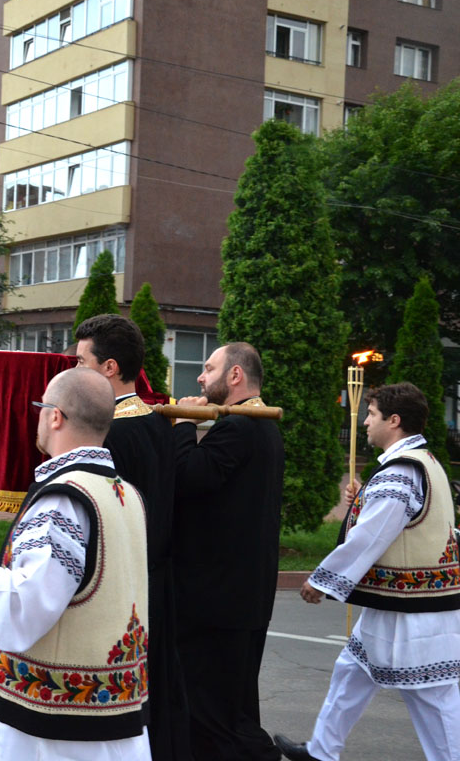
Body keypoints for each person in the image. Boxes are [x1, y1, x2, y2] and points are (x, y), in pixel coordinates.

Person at [0, 367, 151, 760]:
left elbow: (28, 603)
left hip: (51, 725)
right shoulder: (126, 494)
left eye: (41, 407)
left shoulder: (64, 499)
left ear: (55, 416)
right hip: (116, 713)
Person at [274, 383, 460, 761]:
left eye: (371, 415)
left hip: (415, 611)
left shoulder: (401, 472)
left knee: (434, 699)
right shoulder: (425, 462)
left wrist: (322, 580)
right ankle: (322, 751)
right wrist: (363, 497)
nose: (366, 424)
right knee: (351, 673)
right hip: (399, 602)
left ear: (394, 421)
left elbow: (369, 537)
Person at [73, 314, 190, 761]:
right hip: (155, 574)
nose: (73, 368)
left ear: (109, 368)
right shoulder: (158, 420)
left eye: (81, 360)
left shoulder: (112, 432)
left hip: (121, 581)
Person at [172, 342, 284, 761]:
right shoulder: (258, 424)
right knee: (232, 712)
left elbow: (189, 476)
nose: (200, 378)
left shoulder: (241, 426)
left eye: (208, 368)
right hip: (240, 596)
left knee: (215, 717)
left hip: (217, 600)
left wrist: (183, 424)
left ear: (235, 376)